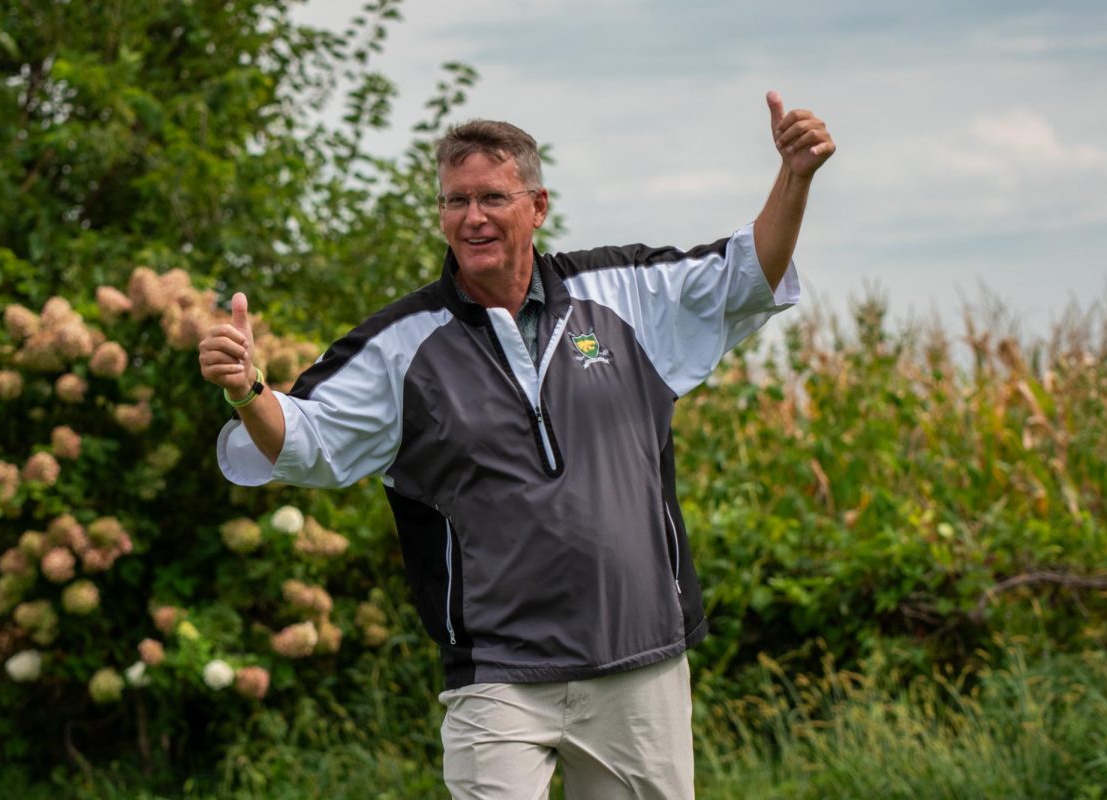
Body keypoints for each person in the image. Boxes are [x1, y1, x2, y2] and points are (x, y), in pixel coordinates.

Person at [200, 90, 834, 799]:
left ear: (537, 205)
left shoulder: (622, 294)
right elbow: (306, 438)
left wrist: (795, 176)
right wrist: (247, 392)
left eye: (492, 198)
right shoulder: (400, 343)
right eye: (454, 201)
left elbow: (746, 278)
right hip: (498, 674)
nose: (472, 217)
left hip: (639, 659)